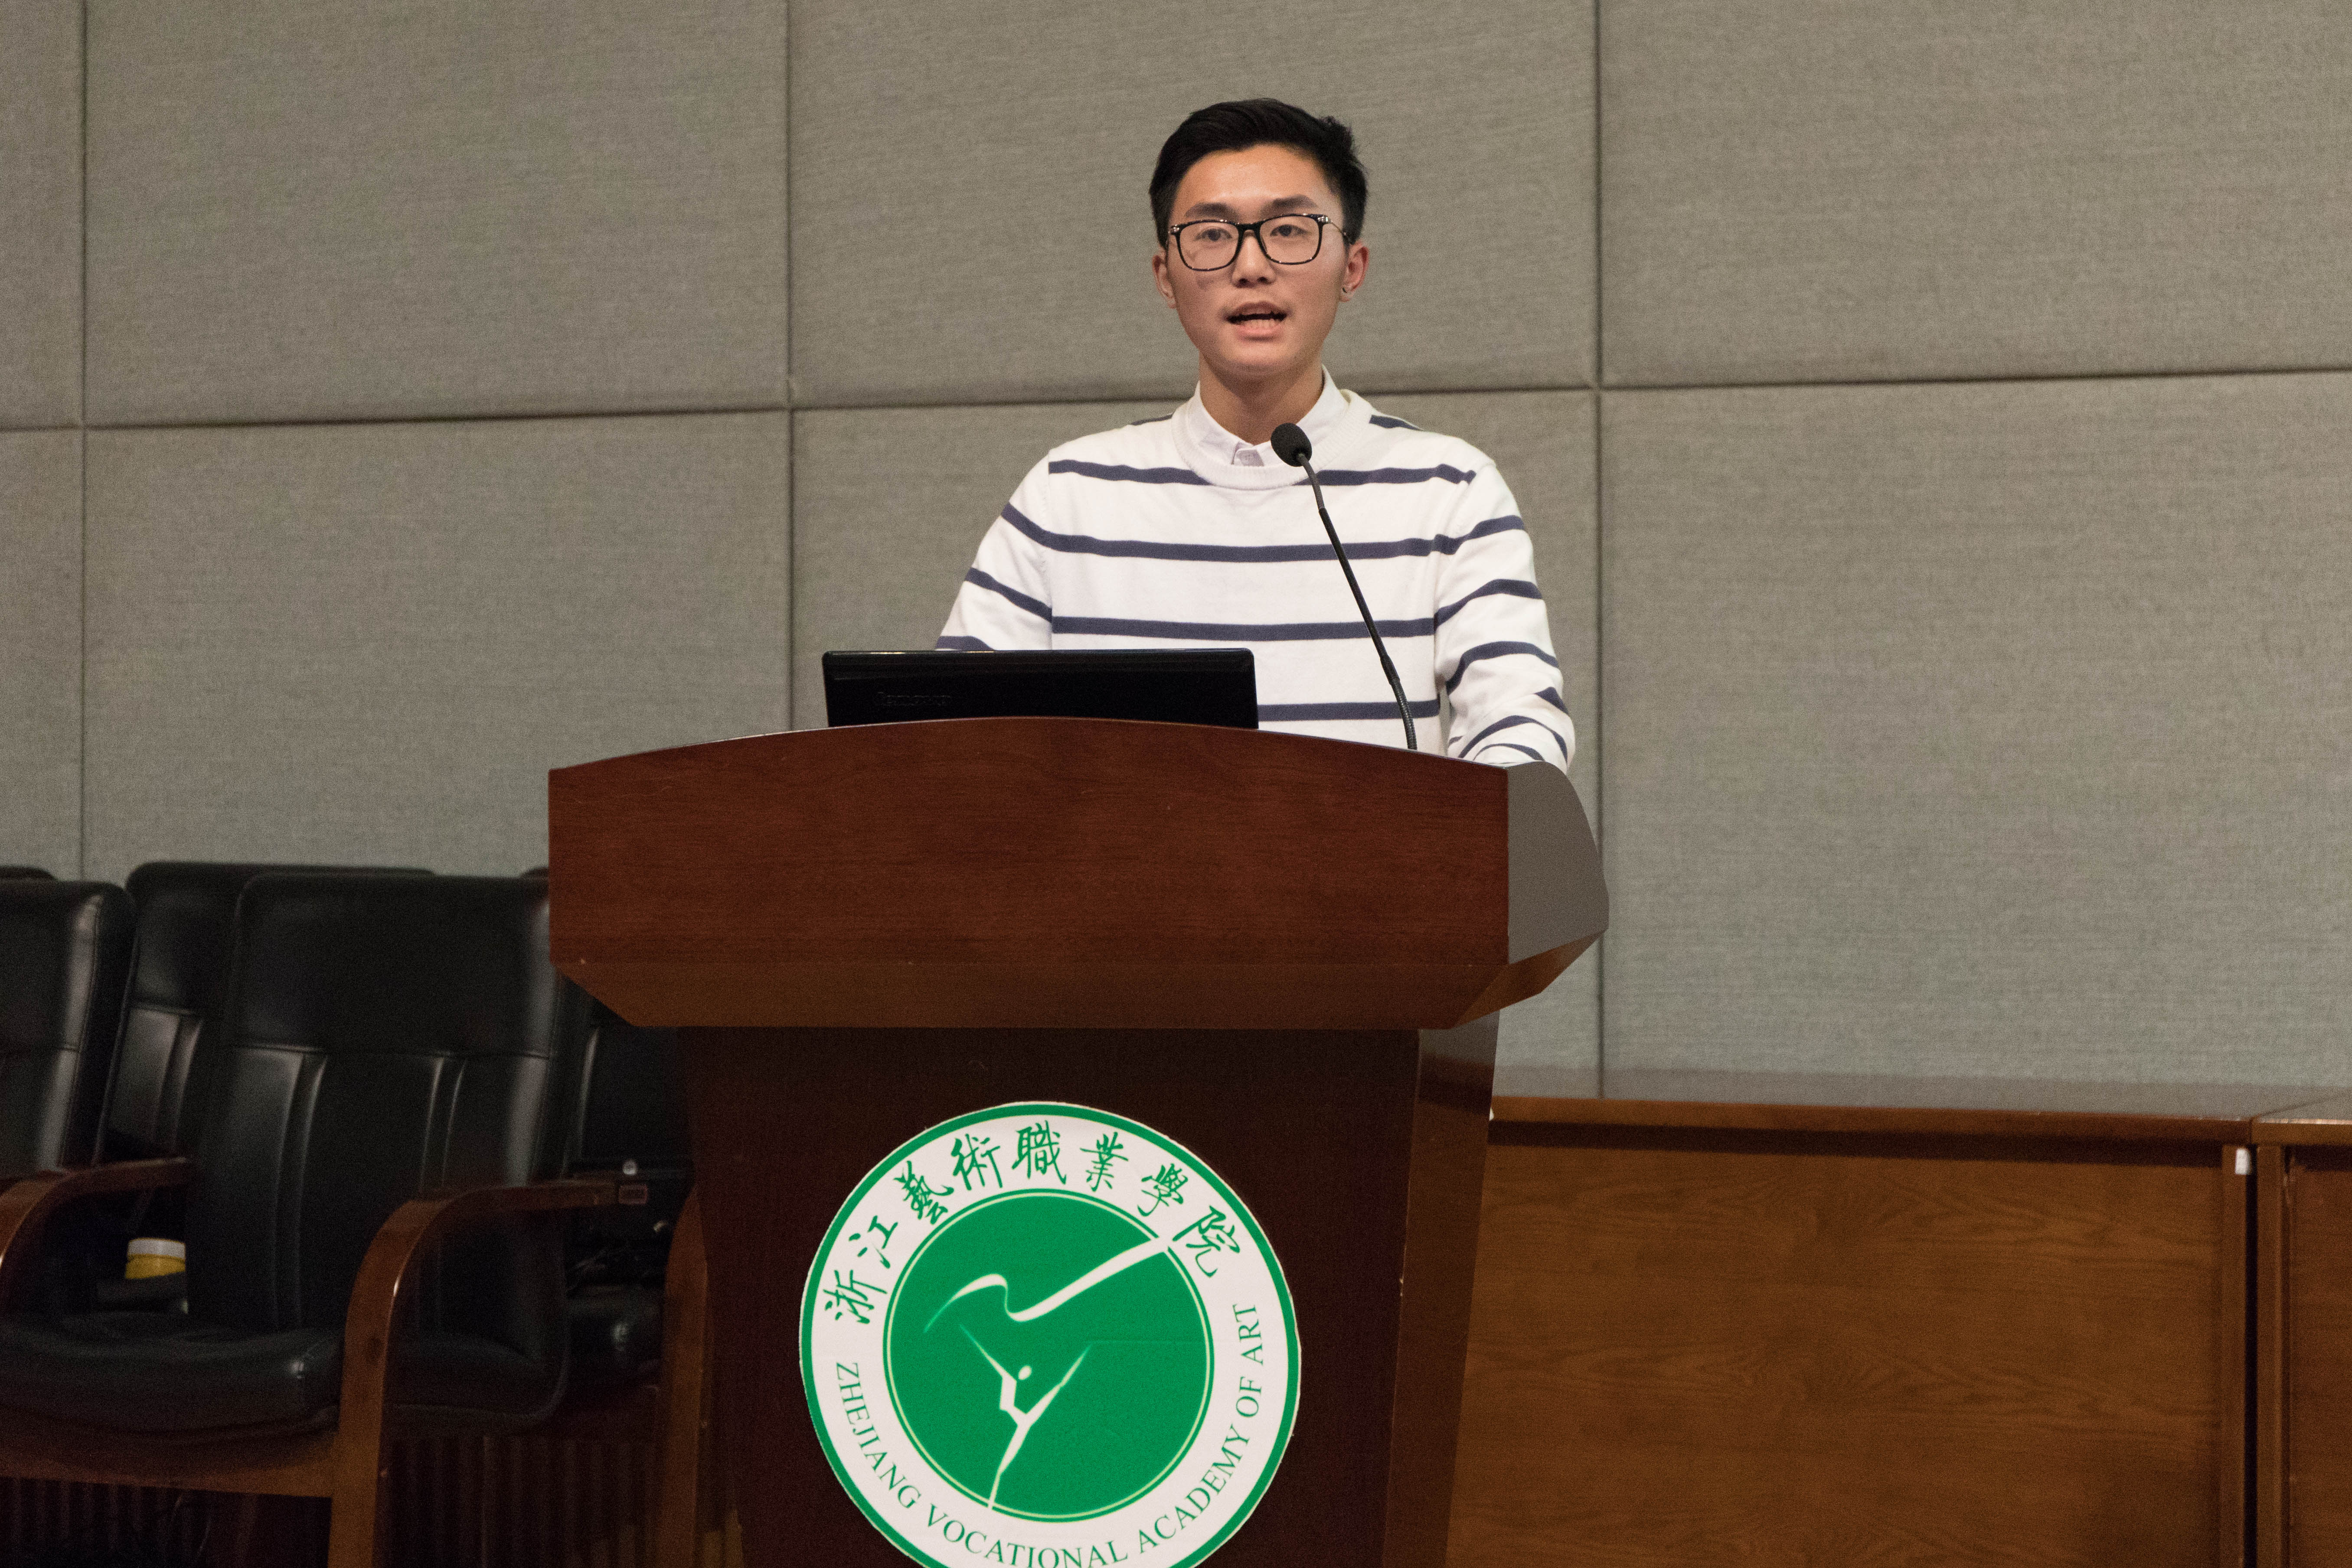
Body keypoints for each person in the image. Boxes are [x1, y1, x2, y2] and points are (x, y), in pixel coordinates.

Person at [936, 99, 1573, 773]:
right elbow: (951, 742)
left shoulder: (1449, 490)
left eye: (1290, 230)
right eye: (1212, 235)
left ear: (1352, 267)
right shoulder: (1067, 496)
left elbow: (1522, 729)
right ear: (1165, 277)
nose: (1251, 266)